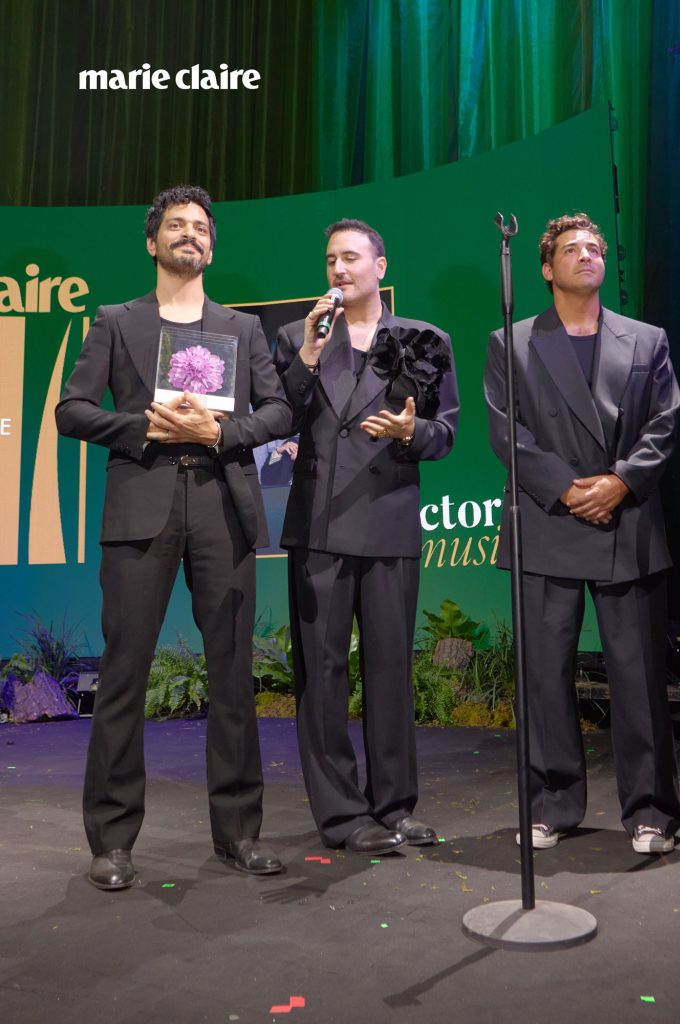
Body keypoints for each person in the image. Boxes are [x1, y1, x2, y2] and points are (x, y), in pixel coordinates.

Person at [55, 185, 293, 889]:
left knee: (231, 678)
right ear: (152, 242)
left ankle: (239, 834)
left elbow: (279, 410)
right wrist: (147, 426)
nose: (191, 235)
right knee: (125, 675)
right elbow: (71, 410)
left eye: (201, 227)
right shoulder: (114, 320)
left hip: (222, 505)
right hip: (140, 506)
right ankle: (113, 841)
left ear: (211, 246)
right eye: (176, 226)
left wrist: (222, 431)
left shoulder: (241, 329)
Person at [484, 212, 680, 854]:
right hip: (549, 521)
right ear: (546, 268)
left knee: (638, 678)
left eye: (594, 247)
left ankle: (651, 811)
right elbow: (506, 430)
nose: (586, 255)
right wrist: (570, 489)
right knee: (545, 675)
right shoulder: (510, 342)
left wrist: (619, 482)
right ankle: (552, 804)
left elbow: (665, 422)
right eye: (571, 249)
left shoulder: (646, 340)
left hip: (625, 520)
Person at [274, 218, 459, 855]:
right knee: (320, 675)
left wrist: (412, 433)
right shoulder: (299, 339)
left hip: (388, 519)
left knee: (389, 669)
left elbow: (445, 432)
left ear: (381, 266)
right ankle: (340, 813)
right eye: (330, 260)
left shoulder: (423, 341)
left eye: (351, 257)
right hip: (319, 527)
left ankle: (396, 806)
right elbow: (280, 413)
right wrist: (307, 356)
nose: (338, 269)